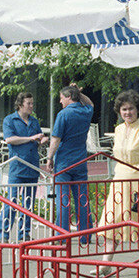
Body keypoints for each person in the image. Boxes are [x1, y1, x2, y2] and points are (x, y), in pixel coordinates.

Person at [99, 89, 139, 250]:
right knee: (112, 220)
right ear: (119, 111)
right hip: (119, 181)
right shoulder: (118, 129)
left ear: (138, 110)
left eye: (131, 108)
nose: (128, 112)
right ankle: (106, 263)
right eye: (124, 109)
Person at [0, 90, 48, 241]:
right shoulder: (10, 120)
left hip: (32, 165)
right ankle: (4, 234)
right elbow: (10, 140)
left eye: (32, 103)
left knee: (28, 204)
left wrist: (41, 140)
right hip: (17, 166)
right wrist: (31, 138)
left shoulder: (34, 121)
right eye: (29, 103)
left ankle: (24, 234)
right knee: (11, 202)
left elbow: (36, 140)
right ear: (20, 105)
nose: (31, 106)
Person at [47, 84, 95, 236]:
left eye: (61, 98)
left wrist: (49, 158)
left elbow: (55, 139)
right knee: (82, 199)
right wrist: (79, 94)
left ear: (68, 97)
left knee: (63, 200)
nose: (60, 101)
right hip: (80, 160)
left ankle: (62, 235)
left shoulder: (63, 114)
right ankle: (85, 235)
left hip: (64, 162)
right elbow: (91, 103)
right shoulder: (86, 111)